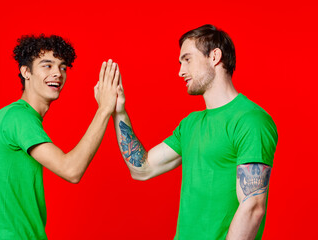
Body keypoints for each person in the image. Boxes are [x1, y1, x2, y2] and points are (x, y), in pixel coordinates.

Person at [111, 24, 278, 239]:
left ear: (214, 56)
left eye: (187, 59)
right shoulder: (190, 124)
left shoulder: (250, 120)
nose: (180, 70)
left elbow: (252, 207)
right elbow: (142, 169)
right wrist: (119, 112)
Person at [0, 34, 120, 239]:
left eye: (62, 67)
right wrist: (104, 109)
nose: (57, 74)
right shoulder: (18, 117)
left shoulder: (21, 118)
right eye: (47, 65)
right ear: (26, 72)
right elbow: (71, 170)